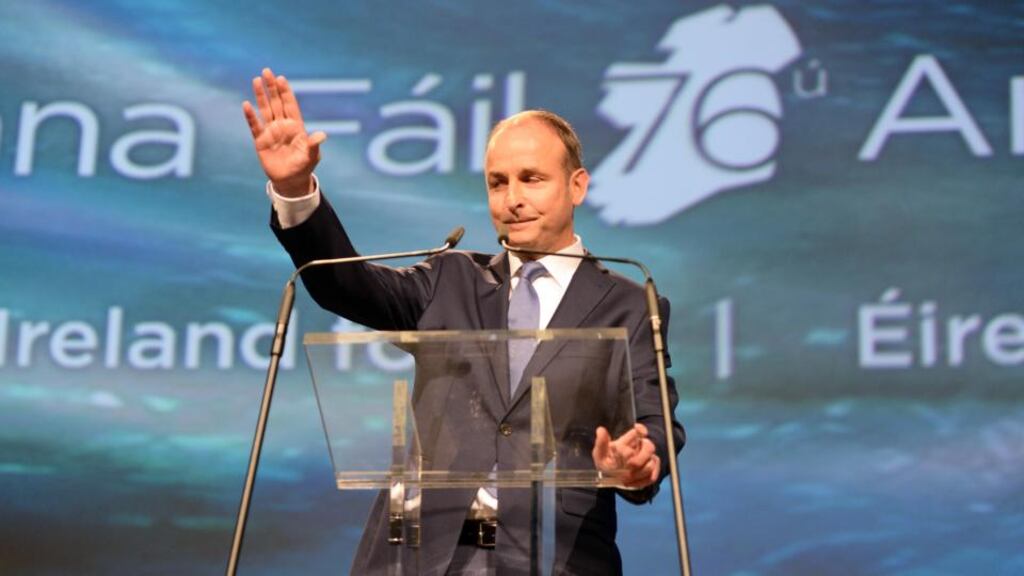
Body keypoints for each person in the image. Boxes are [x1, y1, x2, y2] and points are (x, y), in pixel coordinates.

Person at [243, 67, 684, 575]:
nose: (512, 198)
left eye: (531, 179)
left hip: (553, 556)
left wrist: (636, 462)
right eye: (498, 183)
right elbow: (347, 286)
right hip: (419, 555)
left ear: (577, 186)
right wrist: (295, 188)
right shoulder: (451, 279)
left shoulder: (628, 303)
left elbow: (653, 422)